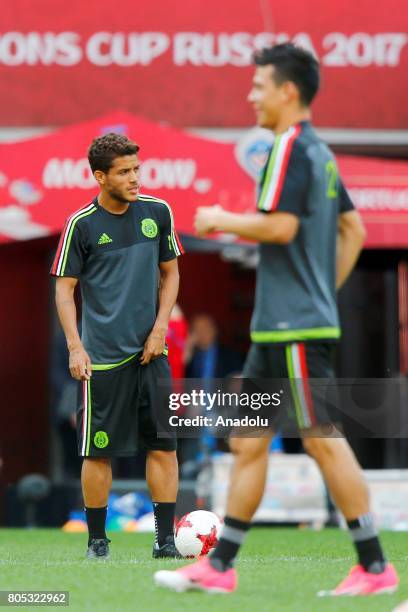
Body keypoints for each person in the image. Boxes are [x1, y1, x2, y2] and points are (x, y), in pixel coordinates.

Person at [154, 43, 399, 595]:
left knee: (321, 438)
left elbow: (282, 228)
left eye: (258, 85)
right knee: (248, 441)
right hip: (278, 329)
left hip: (292, 330)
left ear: (288, 92)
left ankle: (376, 567)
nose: (250, 95)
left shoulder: (286, 148)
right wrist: (323, 293)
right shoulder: (321, 154)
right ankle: (219, 568)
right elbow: (353, 232)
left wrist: (221, 219)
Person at [51, 133, 183, 560]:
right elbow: (64, 289)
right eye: (124, 172)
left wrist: (161, 327)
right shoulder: (81, 225)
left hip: (152, 354)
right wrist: (75, 346)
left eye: (136, 170)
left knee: (163, 445)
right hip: (102, 360)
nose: (134, 179)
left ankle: (164, 540)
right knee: (98, 451)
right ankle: (97, 541)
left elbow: (172, 274)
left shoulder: (157, 212)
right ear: (100, 176)